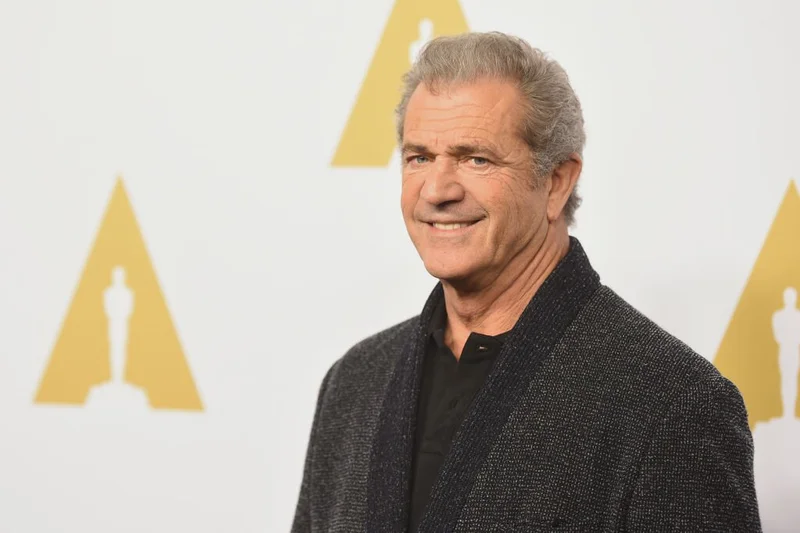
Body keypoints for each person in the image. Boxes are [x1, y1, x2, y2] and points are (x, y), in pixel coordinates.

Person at [291, 31, 762, 532]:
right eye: (419, 157)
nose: (437, 190)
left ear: (557, 182)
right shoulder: (355, 382)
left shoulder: (672, 403)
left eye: (476, 158)